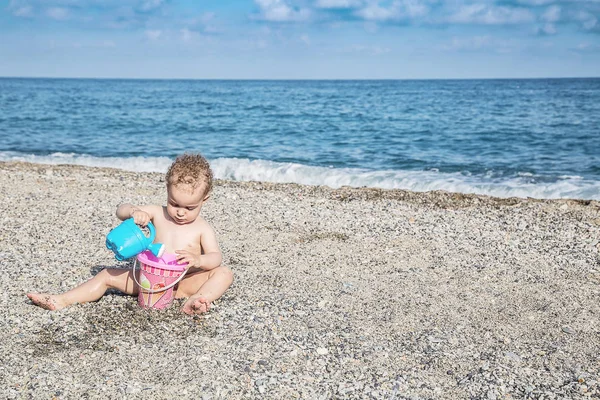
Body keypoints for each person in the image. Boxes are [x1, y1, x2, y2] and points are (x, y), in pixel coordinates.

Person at [27, 153, 233, 315]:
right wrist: (134, 212)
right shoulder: (157, 213)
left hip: (182, 284)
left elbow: (216, 257)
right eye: (174, 203)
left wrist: (198, 260)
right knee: (106, 275)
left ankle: (197, 299)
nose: (180, 212)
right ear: (167, 193)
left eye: (189, 208)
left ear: (204, 200)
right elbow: (120, 210)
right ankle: (61, 300)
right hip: (145, 281)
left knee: (224, 273)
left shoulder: (202, 228)